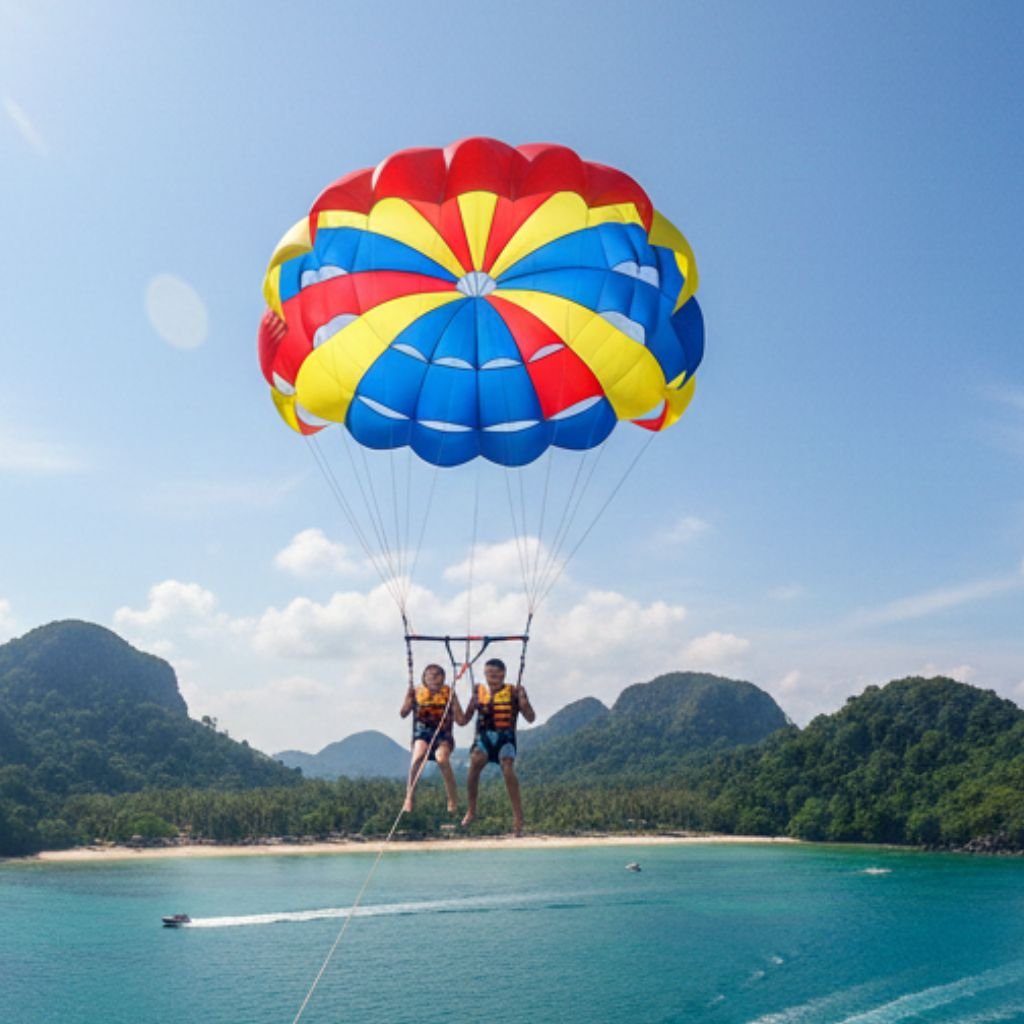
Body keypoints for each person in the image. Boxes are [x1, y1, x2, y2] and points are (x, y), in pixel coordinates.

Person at [461, 658, 535, 835]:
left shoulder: (515, 691)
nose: (491, 677)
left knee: (507, 767)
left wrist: (523, 702)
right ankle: (471, 810)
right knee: (474, 765)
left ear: (503, 674)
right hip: (484, 738)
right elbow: (465, 718)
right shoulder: (479, 692)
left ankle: (518, 816)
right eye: (488, 674)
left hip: (505, 739)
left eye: (495, 674)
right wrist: (457, 701)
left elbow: (531, 717)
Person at [400, 663, 464, 814]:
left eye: (437, 675)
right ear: (424, 678)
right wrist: (408, 699)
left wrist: (470, 707)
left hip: (443, 735)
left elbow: (461, 720)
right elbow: (403, 713)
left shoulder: (449, 694)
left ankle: (452, 798)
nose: (434, 678)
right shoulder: (416, 692)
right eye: (430, 675)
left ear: (443, 678)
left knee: (441, 759)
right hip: (422, 733)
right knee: (417, 758)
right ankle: (409, 797)